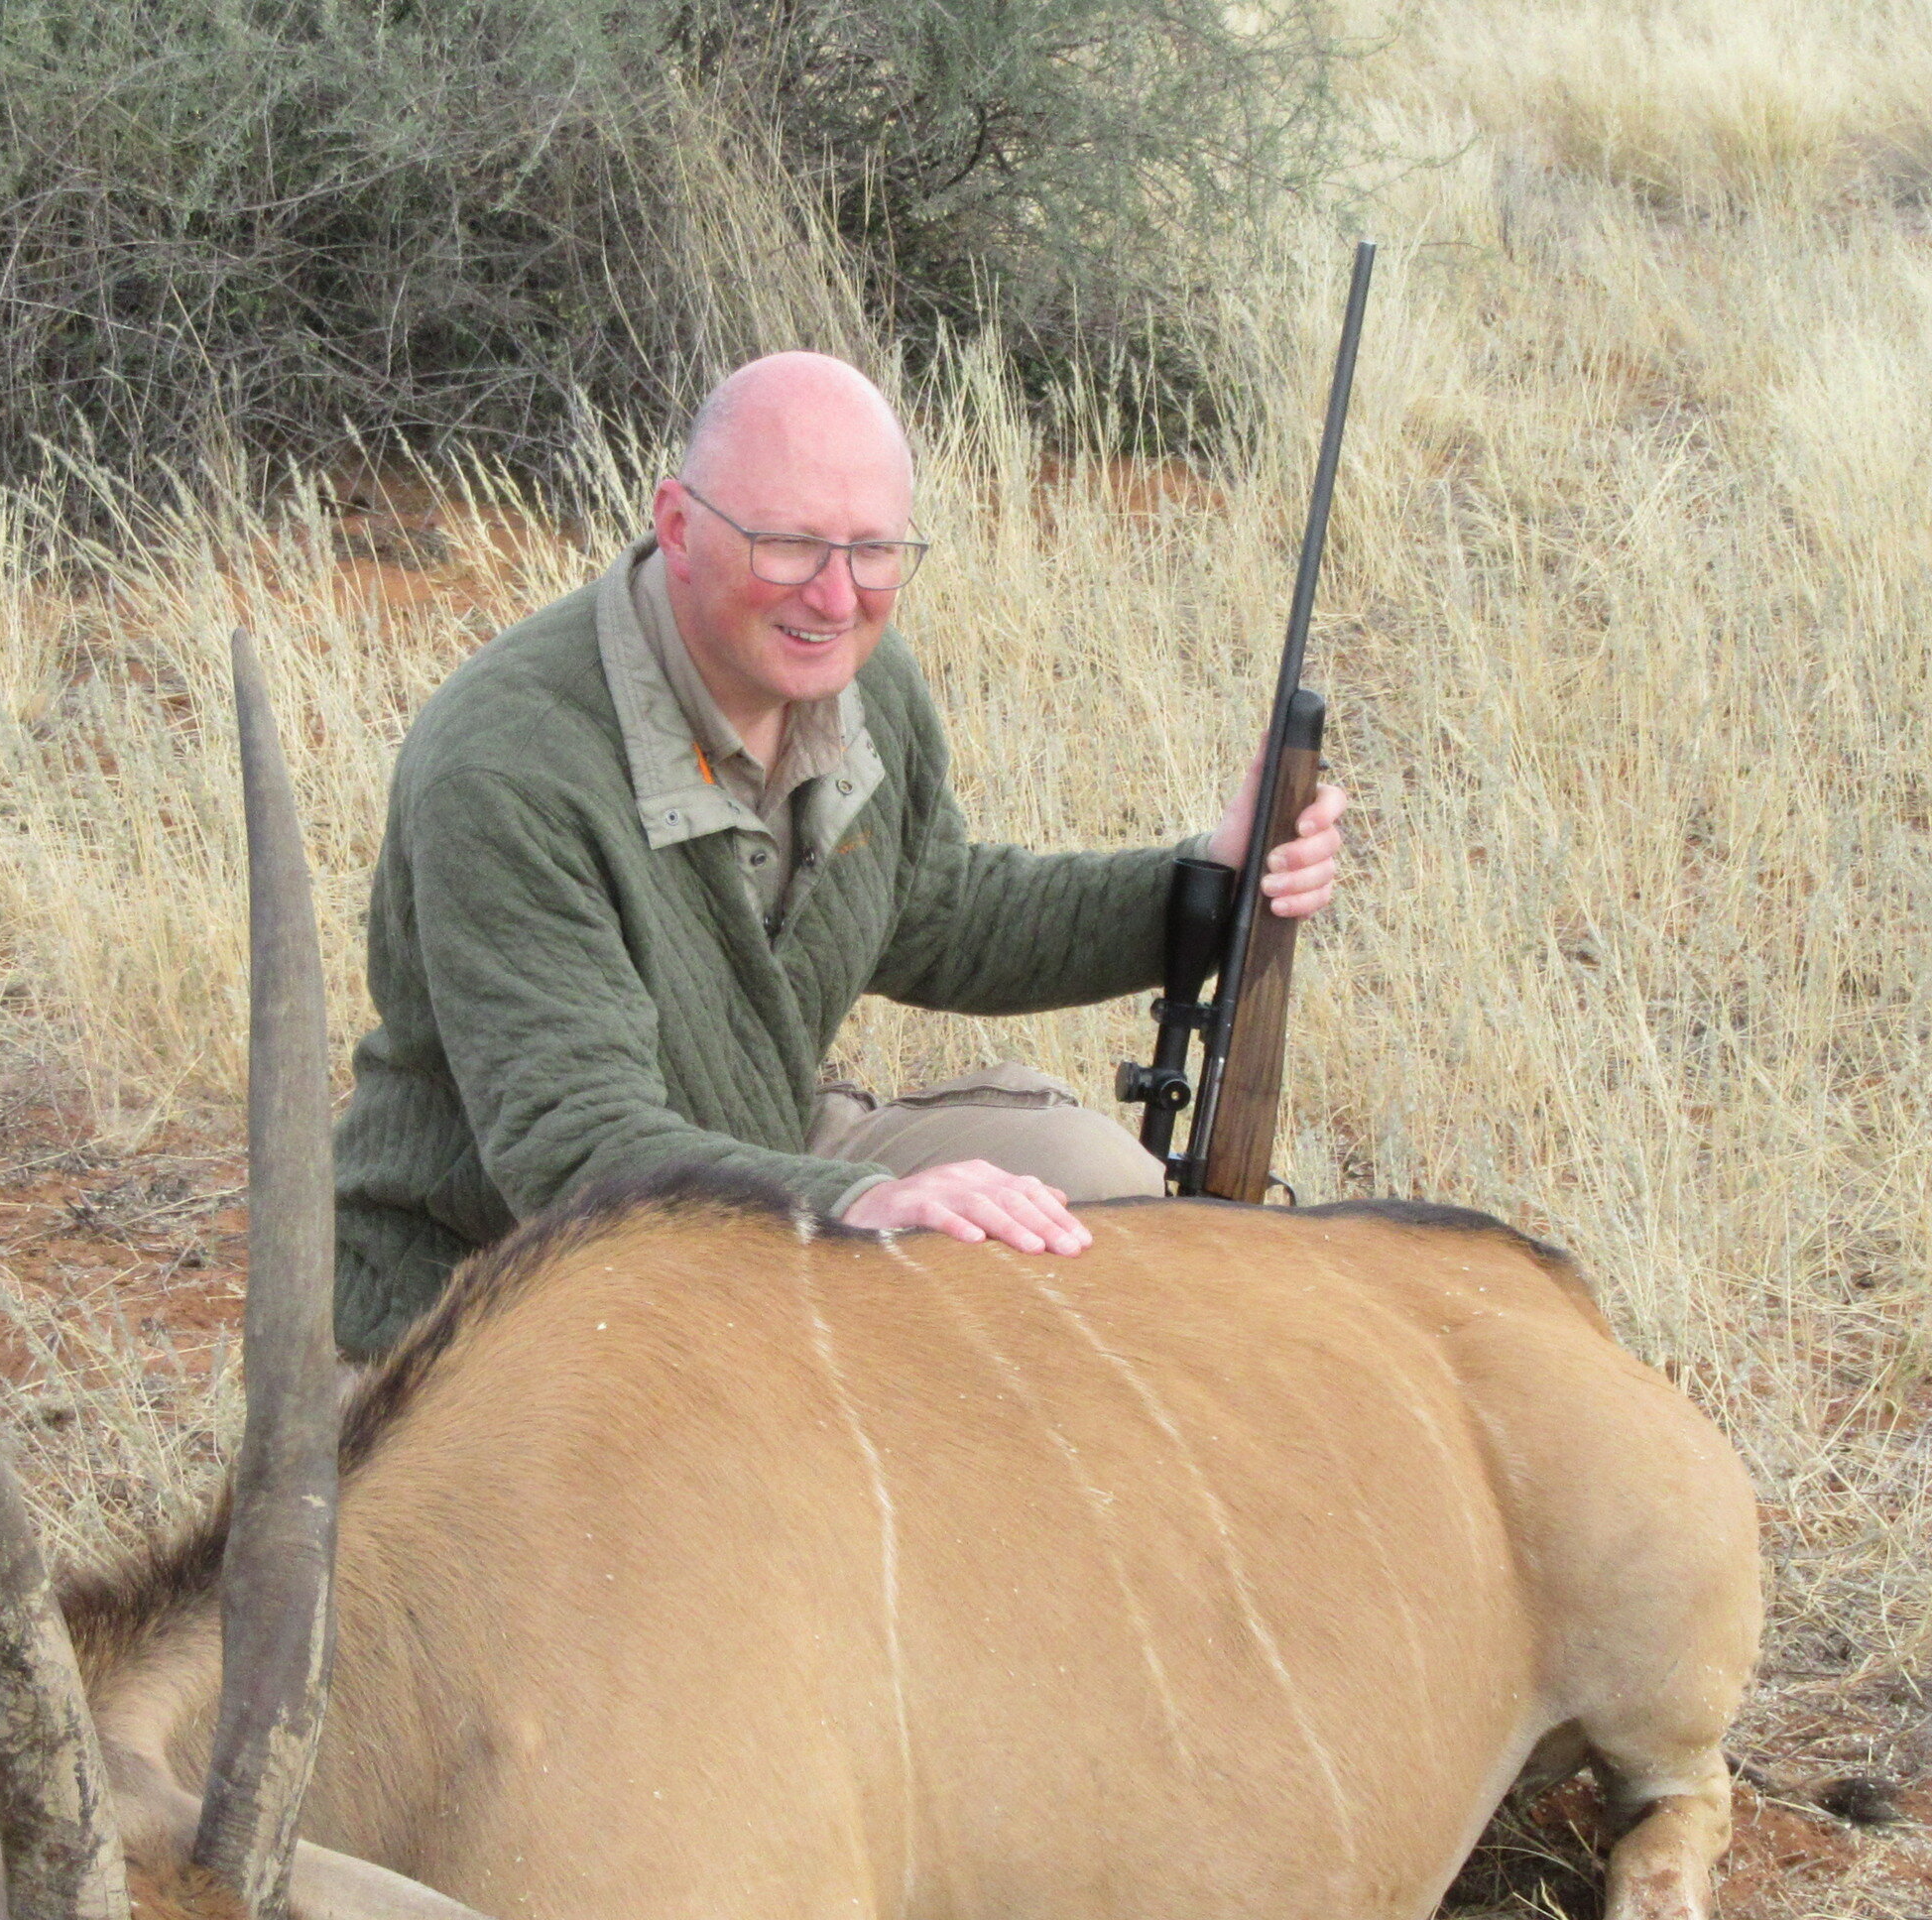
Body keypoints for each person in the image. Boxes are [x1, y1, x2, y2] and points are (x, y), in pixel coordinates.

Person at [329, 350, 1346, 1362]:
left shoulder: (867, 683)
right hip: (503, 1274)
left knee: (1102, 1189)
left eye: (874, 550)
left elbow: (942, 915)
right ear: (678, 526)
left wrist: (1205, 878)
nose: (836, 596)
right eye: (789, 545)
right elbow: (579, 1151)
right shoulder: (507, 763)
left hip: (754, 1150)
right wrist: (866, 1202)